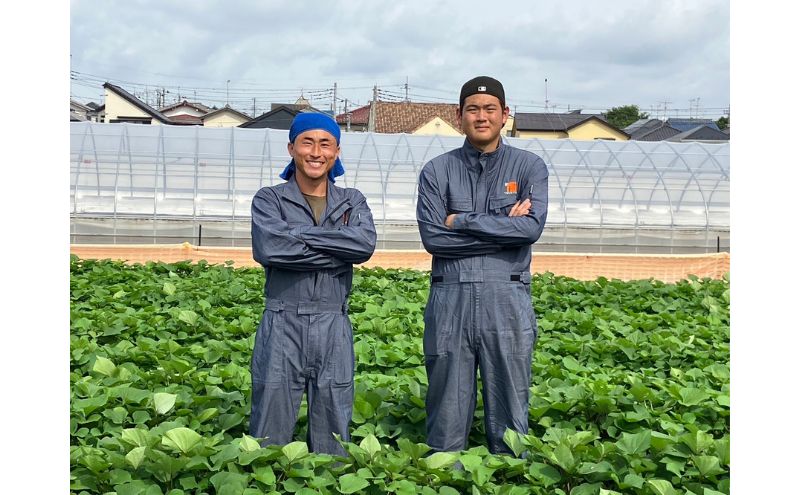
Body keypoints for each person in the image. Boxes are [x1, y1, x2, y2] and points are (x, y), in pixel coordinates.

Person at [415, 76, 549, 454]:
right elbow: (433, 239)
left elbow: (530, 229)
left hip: (506, 298)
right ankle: (445, 475)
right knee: (446, 410)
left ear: (504, 114)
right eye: (472, 109)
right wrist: (506, 227)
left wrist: (461, 220)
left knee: (510, 406)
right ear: (459, 117)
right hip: (449, 299)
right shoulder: (436, 171)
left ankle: (508, 476)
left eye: (490, 108)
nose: (481, 116)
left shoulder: (529, 167)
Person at [249, 112, 376, 456]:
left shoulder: (352, 201)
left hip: (333, 322)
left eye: (325, 143)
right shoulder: (269, 199)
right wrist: (337, 247)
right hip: (282, 322)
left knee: (334, 430)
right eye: (307, 142)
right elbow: (270, 248)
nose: (316, 152)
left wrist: (297, 236)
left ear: (336, 151)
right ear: (292, 147)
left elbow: (363, 246)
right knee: (267, 432)